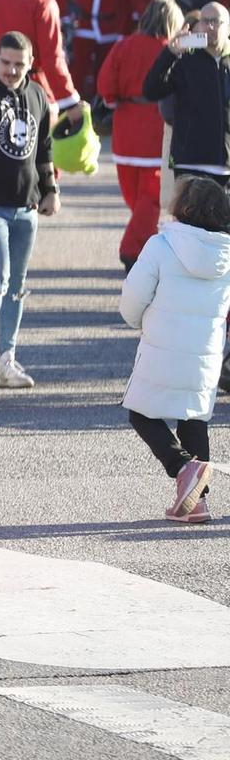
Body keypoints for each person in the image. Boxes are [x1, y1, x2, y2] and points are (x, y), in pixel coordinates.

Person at [120, 175, 230, 524]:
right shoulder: (226, 255)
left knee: (141, 412)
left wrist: (136, 320)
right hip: (207, 354)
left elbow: (132, 301)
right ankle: (198, 502)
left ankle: (183, 468)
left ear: (182, 207)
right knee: (194, 419)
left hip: (163, 348)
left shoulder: (161, 246)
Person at [0, 31, 58, 392]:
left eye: (20, 64)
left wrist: (51, 190)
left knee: (17, 287)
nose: (12, 71)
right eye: (6, 63)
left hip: (27, 207)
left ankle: (7, 358)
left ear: (31, 63)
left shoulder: (37, 96)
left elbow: (44, 149)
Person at [101, 0, 183, 268]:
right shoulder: (171, 52)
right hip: (155, 133)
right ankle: (133, 251)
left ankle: (141, 254)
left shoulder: (123, 45)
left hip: (125, 132)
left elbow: (106, 87)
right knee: (149, 201)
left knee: (138, 202)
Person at [146, 2, 230, 184]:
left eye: (216, 21)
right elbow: (151, 90)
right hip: (191, 164)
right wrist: (170, 52)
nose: (209, 27)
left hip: (227, 167)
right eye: (205, 21)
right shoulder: (185, 60)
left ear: (228, 27)